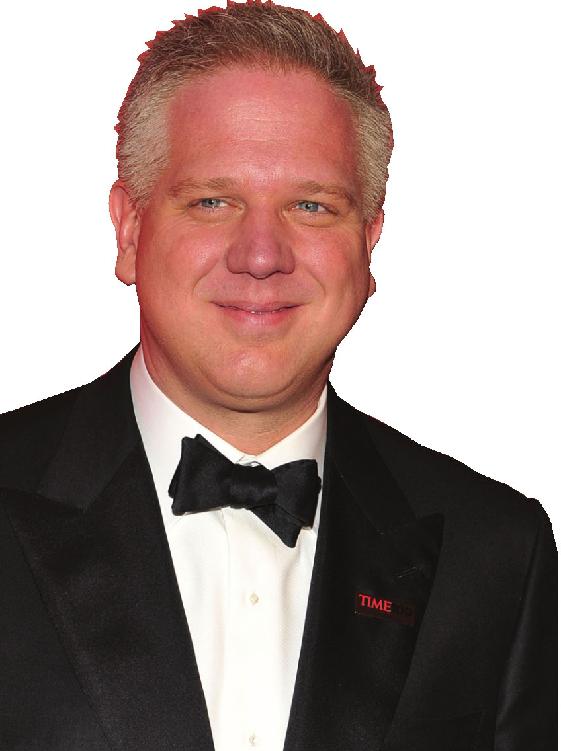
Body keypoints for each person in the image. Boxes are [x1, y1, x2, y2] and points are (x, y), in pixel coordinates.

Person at [0, 3, 555, 750]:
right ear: (129, 230)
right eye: (212, 201)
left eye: (310, 205)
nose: (261, 254)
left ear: (368, 242)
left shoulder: (496, 552)